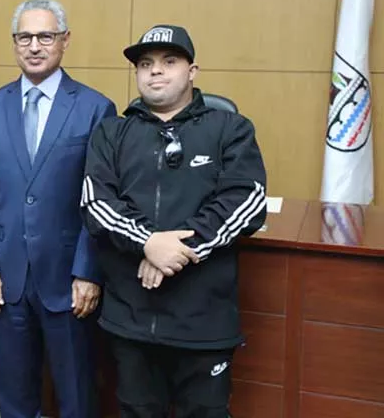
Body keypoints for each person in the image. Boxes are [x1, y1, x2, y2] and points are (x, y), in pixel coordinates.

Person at [80, 24, 267, 417]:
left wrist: (175, 250)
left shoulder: (230, 129)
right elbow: (96, 204)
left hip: (203, 322)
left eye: (169, 61)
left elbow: (246, 201)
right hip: (130, 319)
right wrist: (149, 243)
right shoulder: (112, 132)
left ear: (192, 71)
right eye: (145, 64)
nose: (155, 71)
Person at [0, 0, 116, 418]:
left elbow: (99, 200)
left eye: (45, 36)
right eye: (25, 37)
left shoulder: (95, 108)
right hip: (7, 278)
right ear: (14, 42)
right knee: (14, 398)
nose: (34, 46)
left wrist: (88, 271)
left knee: (76, 395)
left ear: (65, 40)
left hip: (68, 280)